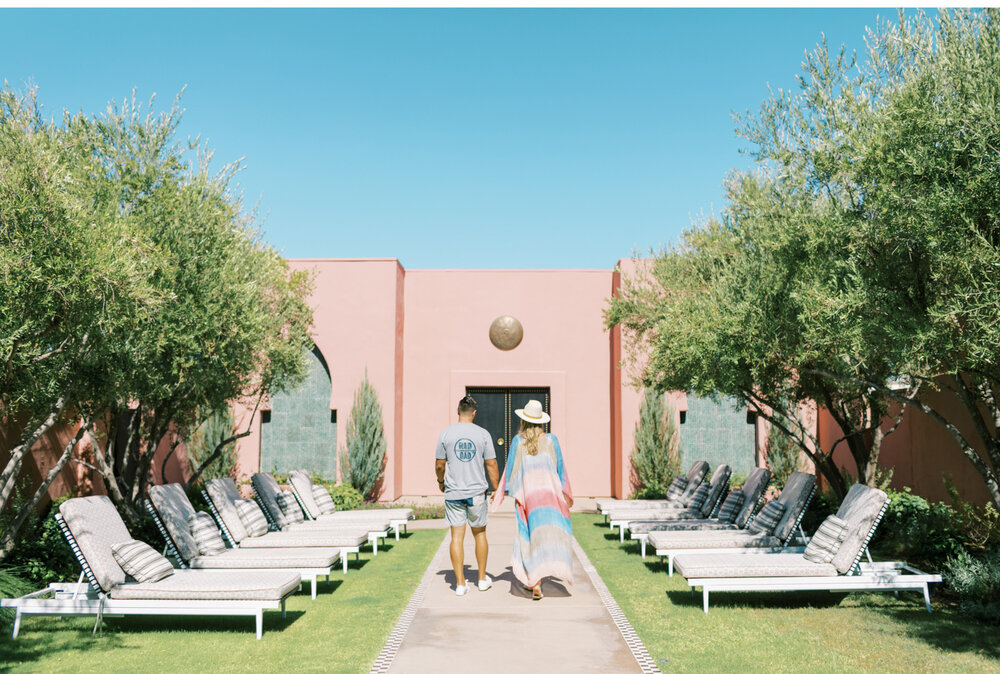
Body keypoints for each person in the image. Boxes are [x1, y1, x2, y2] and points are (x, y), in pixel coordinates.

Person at [491, 399, 573, 600]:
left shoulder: (518, 442)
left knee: (527, 537)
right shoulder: (551, 440)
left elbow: (511, 470)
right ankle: (539, 578)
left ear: (524, 420)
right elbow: (559, 469)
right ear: (541, 421)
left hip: (527, 498)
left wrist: (503, 491)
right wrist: (564, 494)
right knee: (546, 536)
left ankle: (535, 582)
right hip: (549, 497)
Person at [435, 394, 499, 596]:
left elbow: (439, 464)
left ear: (457, 412)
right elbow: (491, 464)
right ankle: (481, 579)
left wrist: (441, 482)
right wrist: (496, 488)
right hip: (477, 492)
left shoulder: (445, 434)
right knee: (480, 534)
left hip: (453, 493)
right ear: (474, 413)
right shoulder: (483, 434)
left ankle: (460, 584)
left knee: (456, 537)